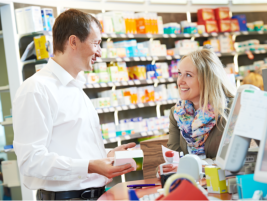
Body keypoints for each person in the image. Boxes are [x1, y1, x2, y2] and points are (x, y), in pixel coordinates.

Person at [13, 9, 135, 201]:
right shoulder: (36, 89)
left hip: (94, 196)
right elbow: (31, 161)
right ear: (73, 42)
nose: (99, 52)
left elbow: (73, 148)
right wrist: (90, 165)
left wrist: (106, 156)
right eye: (96, 43)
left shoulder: (76, 88)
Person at [158, 46, 236, 175]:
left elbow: (232, 159)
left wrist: (197, 166)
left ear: (207, 79)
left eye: (188, 75)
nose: (180, 81)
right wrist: (166, 169)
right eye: (179, 74)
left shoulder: (231, 108)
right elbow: (174, 158)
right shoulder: (177, 113)